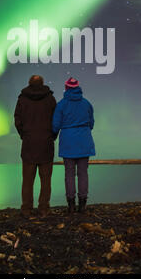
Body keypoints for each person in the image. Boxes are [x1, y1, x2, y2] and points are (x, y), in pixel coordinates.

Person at [14, 75, 57, 218]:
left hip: (29, 145)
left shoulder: (22, 99)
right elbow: (56, 120)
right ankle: (43, 209)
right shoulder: (50, 99)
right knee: (46, 181)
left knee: (27, 180)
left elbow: (17, 121)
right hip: (46, 144)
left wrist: (24, 135)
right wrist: (51, 135)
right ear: (43, 83)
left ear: (29, 83)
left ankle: (26, 209)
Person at [52, 77, 95, 214]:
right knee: (83, 174)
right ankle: (82, 205)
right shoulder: (87, 104)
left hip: (68, 143)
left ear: (66, 88)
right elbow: (91, 123)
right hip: (84, 142)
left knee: (69, 174)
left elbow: (55, 126)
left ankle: (71, 205)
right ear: (77, 87)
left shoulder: (61, 105)